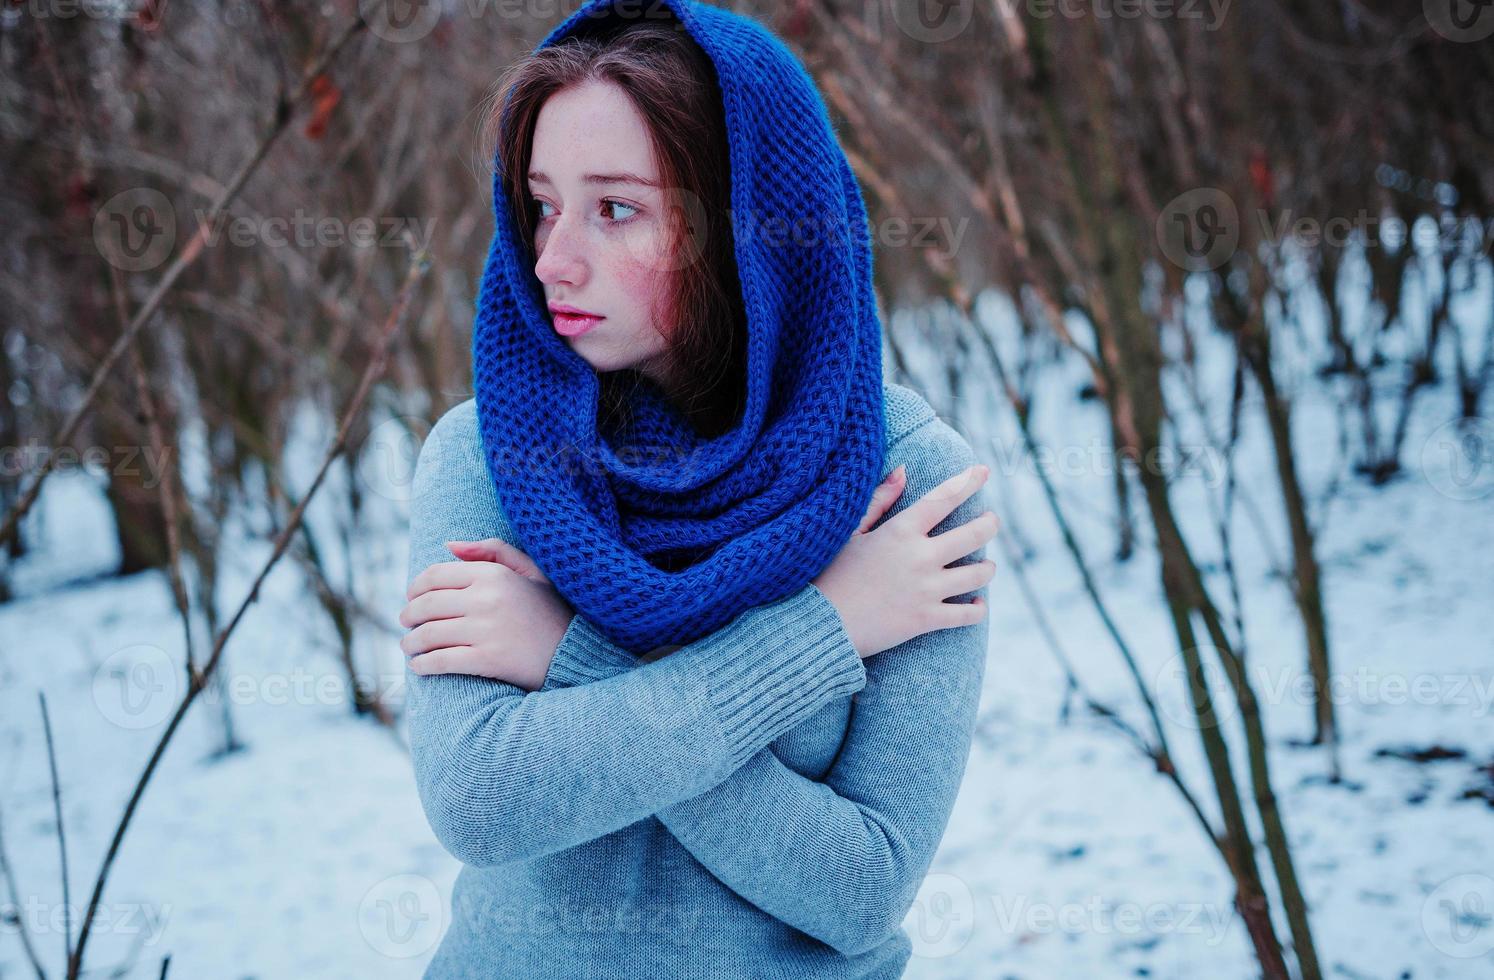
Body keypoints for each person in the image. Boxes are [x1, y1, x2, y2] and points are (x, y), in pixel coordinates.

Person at [399, 1, 998, 976]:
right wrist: (827, 630)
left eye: (617, 208)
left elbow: (861, 888)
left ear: (746, 226)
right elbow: (482, 803)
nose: (551, 258)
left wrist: (568, 659)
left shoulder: (912, 488)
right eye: (544, 202)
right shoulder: (487, 454)